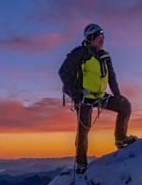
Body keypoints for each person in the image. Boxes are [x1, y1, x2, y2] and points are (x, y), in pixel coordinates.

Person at [58, 23, 136, 174]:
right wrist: (76, 93)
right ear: (90, 38)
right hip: (84, 97)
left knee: (125, 106)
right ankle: (81, 162)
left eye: (102, 37)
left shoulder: (104, 56)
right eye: (99, 37)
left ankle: (121, 139)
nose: (102, 40)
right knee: (84, 130)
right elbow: (63, 72)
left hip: (99, 96)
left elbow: (111, 77)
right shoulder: (79, 53)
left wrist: (117, 95)